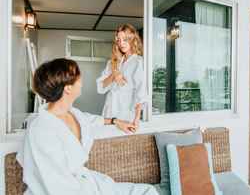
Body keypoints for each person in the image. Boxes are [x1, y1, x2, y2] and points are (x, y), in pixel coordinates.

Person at [16, 58, 158, 195]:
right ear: (68, 88)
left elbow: (91, 120)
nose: (81, 81)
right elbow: (57, 186)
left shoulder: (73, 113)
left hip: (86, 184)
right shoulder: (41, 130)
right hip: (64, 190)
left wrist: (115, 121)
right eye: (78, 77)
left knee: (148, 191)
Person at [96, 24, 147, 131]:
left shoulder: (138, 62)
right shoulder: (112, 63)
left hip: (126, 114)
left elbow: (141, 92)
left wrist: (137, 118)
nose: (121, 43)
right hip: (109, 112)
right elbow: (100, 87)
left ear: (132, 39)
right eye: (118, 40)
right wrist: (114, 75)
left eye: (125, 39)